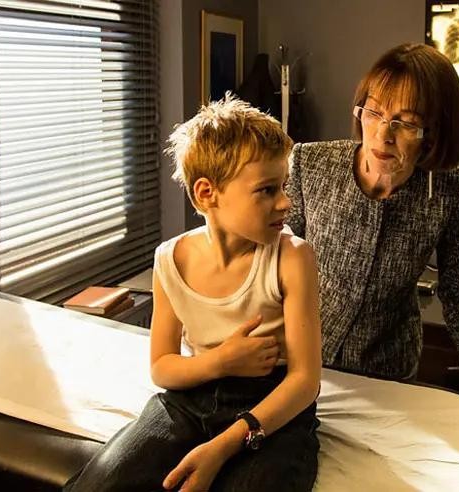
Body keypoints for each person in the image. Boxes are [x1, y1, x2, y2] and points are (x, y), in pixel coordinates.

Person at [65, 95, 322, 492]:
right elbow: (162, 367)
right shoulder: (170, 260)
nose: (285, 202)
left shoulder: (291, 257)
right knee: (100, 485)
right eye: (267, 190)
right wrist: (221, 361)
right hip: (191, 400)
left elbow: (305, 381)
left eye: (284, 186)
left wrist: (222, 447)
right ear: (207, 193)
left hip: (272, 409)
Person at [285, 43, 459, 416]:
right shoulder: (311, 163)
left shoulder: (454, 190)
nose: (383, 134)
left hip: (387, 372)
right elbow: (273, 264)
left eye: (405, 122)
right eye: (374, 113)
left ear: (434, 132)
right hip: (300, 358)